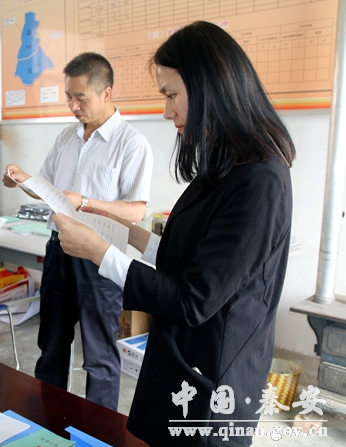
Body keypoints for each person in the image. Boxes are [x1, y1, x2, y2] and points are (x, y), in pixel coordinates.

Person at [52, 22, 295, 446]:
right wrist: (131, 236)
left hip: (212, 384)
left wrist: (100, 252)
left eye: (171, 95)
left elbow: (194, 299)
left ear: (210, 88)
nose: (167, 111)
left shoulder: (259, 180)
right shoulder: (224, 165)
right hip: (180, 363)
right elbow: (196, 255)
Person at [4, 52, 153, 410]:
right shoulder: (66, 137)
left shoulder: (131, 143)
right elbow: (47, 189)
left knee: (99, 355)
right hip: (59, 249)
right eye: (69, 97)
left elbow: (137, 210)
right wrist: (22, 180)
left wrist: (85, 202)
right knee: (51, 345)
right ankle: (48, 422)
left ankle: (98, 432)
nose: (73, 106)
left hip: (100, 257)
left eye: (81, 98)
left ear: (106, 93)